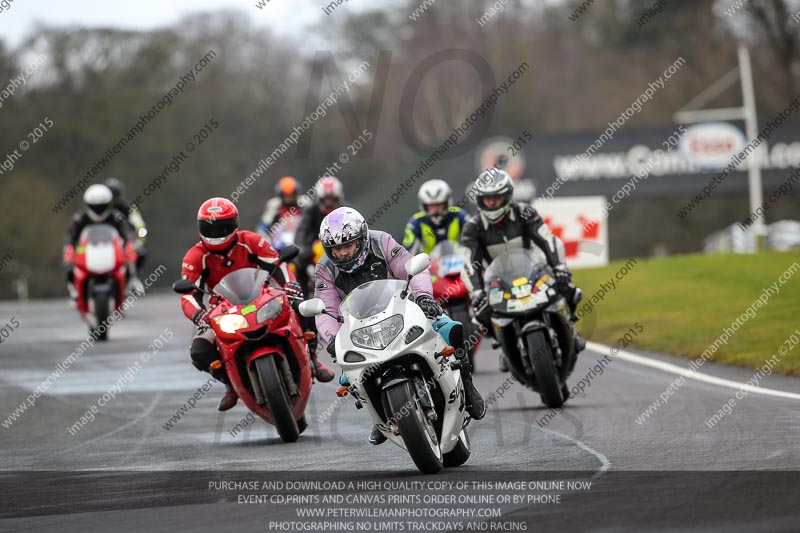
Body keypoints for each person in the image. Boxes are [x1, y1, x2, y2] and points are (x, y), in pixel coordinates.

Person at [313, 207, 486, 445]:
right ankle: (381, 417)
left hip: (402, 309)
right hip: (358, 328)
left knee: (450, 327)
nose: (343, 254)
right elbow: (325, 308)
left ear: (361, 239)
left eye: (348, 246)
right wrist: (332, 338)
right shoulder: (324, 268)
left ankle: (467, 384)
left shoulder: (382, 241)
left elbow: (412, 267)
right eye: (336, 249)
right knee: (347, 377)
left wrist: (424, 297)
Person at [179, 197, 334, 412]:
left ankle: (314, 359)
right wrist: (199, 315)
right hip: (223, 311)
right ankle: (230, 384)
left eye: (222, 227)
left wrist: (291, 287)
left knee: (303, 308)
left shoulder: (250, 240)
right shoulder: (195, 256)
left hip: (262, 297)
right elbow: (187, 295)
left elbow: (278, 263)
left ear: (234, 223)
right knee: (199, 349)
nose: (217, 234)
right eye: (210, 228)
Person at [460, 169, 586, 372]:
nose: (493, 203)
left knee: (568, 287)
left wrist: (560, 267)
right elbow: (468, 263)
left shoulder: (525, 212)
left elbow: (548, 240)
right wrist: (476, 293)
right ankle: (504, 344)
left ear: (508, 195)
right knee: (480, 312)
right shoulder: (472, 227)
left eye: (497, 197)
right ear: (479, 200)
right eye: (487, 199)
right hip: (498, 280)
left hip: (533, 270)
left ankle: (570, 330)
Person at [62, 184, 143, 299]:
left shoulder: (116, 216)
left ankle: (130, 284)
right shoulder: (80, 218)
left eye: (101, 206)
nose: (98, 210)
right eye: (95, 206)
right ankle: (72, 289)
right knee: (69, 264)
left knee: (132, 259)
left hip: (111, 250)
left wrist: (130, 244)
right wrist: (68, 247)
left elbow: (127, 231)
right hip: (87, 250)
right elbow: (70, 234)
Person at [295, 175, 346, 293]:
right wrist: (303, 248)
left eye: (331, 199)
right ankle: (303, 294)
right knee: (296, 264)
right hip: (315, 250)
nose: (329, 203)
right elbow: (301, 231)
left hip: (342, 246)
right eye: (326, 199)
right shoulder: (311, 211)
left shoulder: (345, 209)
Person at [403, 179, 468, 255]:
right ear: (424, 206)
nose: (435, 210)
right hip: (429, 265)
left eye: (439, 205)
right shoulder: (416, 222)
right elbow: (408, 251)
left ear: (447, 203)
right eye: (431, 207)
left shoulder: (459, 215)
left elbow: (474, 238)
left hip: (459, 262)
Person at [105, 177, 148, 270]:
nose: (113, 199)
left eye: (115, 196)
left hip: (125, 243)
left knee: (142, 253)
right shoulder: (101, 210)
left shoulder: (128, 208)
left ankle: (134, 276)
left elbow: (140, 226)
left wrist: (139, 243)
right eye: (110, 196)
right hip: (105, 244)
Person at [256, 176, 302, 241]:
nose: (288, 199)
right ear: (281, 195)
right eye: (286, 196)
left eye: (291, 195)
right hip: (278, 243)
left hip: (300, 240)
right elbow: (263, 227)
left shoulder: (304, 205)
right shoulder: (274, 206)